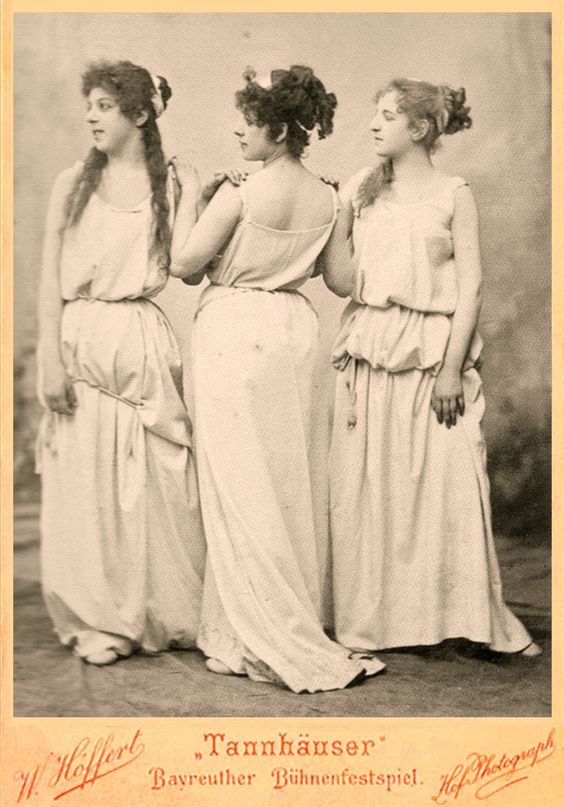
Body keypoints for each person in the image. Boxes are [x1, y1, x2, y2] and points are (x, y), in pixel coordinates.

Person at [169, 65, 385, 692]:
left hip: (235, 330)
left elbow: (183, 265)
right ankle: (255, 626)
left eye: (250, 122)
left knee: (238, 484)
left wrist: (193, 196)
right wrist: (342, 221)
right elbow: (342, 282)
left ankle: (251, 633)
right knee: (284, 481)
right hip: (292, 332)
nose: (239, 132)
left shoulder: (239, 194)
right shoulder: (328, 198)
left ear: (280, 129)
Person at [324, 78, 541, 658]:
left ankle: (465, 618)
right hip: (372, 349)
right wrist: (338, 216)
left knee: (445, 487)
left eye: (388, 115)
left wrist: (449, 371)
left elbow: (472, 287)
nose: (374, 124)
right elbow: (341, 281)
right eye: (375, 113)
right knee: (374, 488)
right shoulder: (359, 189)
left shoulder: (453, 194)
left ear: (420, 128)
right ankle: (378, 623)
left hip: (432, 356)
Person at [36, 60, 205, 666]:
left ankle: (157, 610)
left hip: (140, 347)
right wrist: (49, 361)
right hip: (81, 344)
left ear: (140, 114)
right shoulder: (72, 183)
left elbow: (188, 267)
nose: (91, 116)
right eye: (90, 105)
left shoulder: (172, 185)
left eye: (105, 106)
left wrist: (203, 192)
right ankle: (101, 619)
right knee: (86, 485)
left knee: (155, 483)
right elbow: (48, 280)